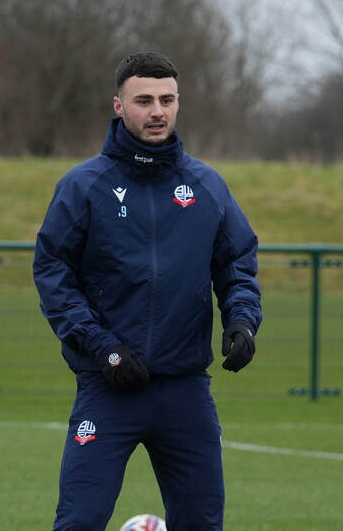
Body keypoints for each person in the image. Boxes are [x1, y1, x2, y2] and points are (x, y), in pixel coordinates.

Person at [32, 51, 263, 530]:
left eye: (167, 99)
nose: (157, 111)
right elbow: (53, 274)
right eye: (144, 100)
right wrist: (104, 348)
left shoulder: (207, 186)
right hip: (107, 385)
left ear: (178, 103)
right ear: (119, 106)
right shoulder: (84, 185)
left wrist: (241, 319)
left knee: (202, 522)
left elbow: (237, 262)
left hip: (186, 391)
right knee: (78, 521)